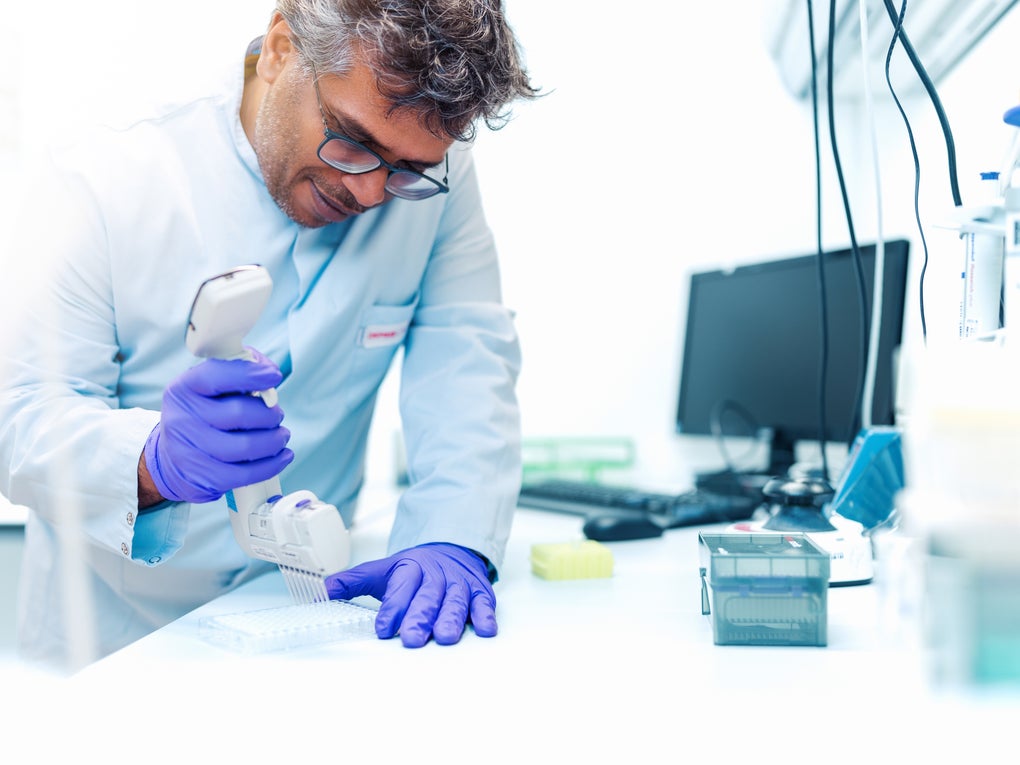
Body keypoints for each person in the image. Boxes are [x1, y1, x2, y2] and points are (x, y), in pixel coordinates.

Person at [0, 0, 538, 673]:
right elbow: (22, 418)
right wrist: (154, 462)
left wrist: (453, 536)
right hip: (117, 637)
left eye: (402, 170)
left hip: (309, 617)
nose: (371, 191)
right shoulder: (108, 174)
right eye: (349, 137)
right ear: (282, 48)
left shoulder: (433, 182)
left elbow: (467, 355)